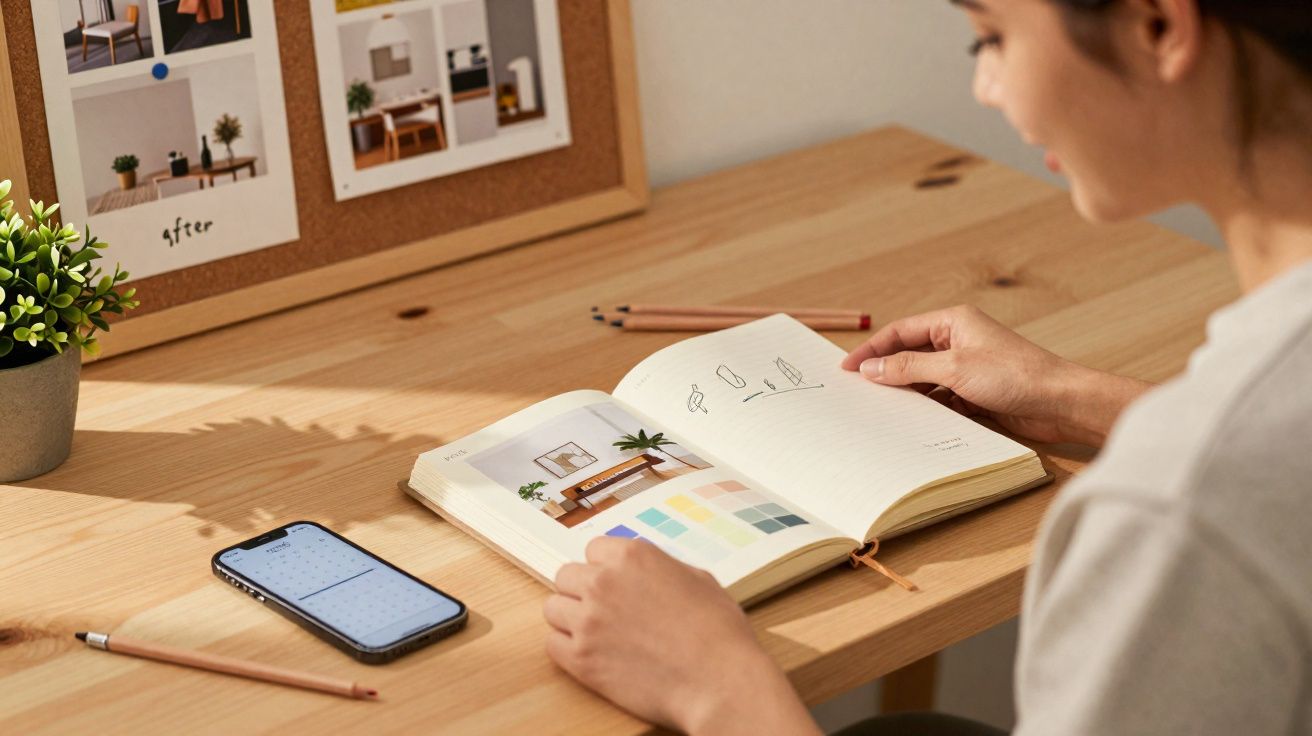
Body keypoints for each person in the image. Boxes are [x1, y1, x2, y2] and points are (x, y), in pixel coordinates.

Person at [542, 0, 1312, 733]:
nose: (985, 86)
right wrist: (1080, 402)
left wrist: (714, 688)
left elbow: (1224, 477)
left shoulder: (1177, 510)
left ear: (1156, 26)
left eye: (993, 36)